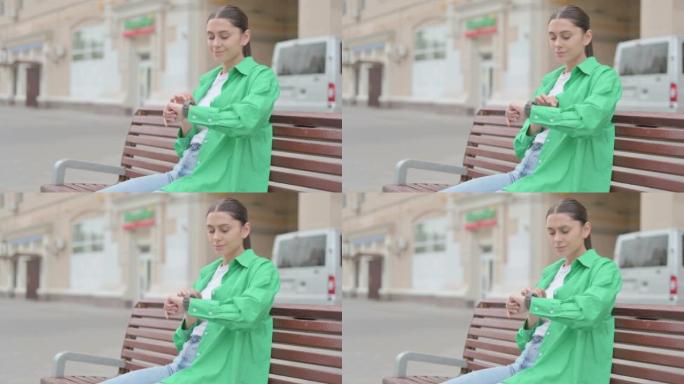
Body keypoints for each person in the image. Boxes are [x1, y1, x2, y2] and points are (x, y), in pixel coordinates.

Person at [442, 5, 622, 192]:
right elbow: (520, 147)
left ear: (587, 37)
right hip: (521, 172)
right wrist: (538, 121)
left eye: (566, 36)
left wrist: (531, 110)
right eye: (552, 37)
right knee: (447, 195)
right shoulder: (550, 80)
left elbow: (589, 121)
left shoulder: (604, 77)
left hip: (555, 178)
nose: (557, 44)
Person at [100, 5, 280, 192]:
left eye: (224, 36)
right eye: (210, 36)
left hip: (214, 179)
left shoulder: (261, 77)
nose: (215, 43)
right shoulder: (208, 80)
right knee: (107, 193)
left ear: (245, 37)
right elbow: (183, 148)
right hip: (179, 172)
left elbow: (246, 121)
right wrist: (184, 117)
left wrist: (190, 111)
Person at [442, 198, 622, 383]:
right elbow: (523, 343)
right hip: (522, 366)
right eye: (551, 232)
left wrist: (532, 303)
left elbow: (588, 313)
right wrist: (532, 314)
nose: (557, 239)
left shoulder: (604, 270)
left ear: (586, 229)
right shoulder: (551, 271)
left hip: (557, 373)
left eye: (564, 231)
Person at [102, 198, 280, 384]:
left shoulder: (262, 269)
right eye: (210, 230)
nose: (216, 237)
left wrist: (193, 305)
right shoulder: (208, 272)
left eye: (224, 229)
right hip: (180, 366)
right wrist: (190, 315)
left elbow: (247, 314)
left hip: (214, 373)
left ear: (245, 230)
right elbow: (181, 343)